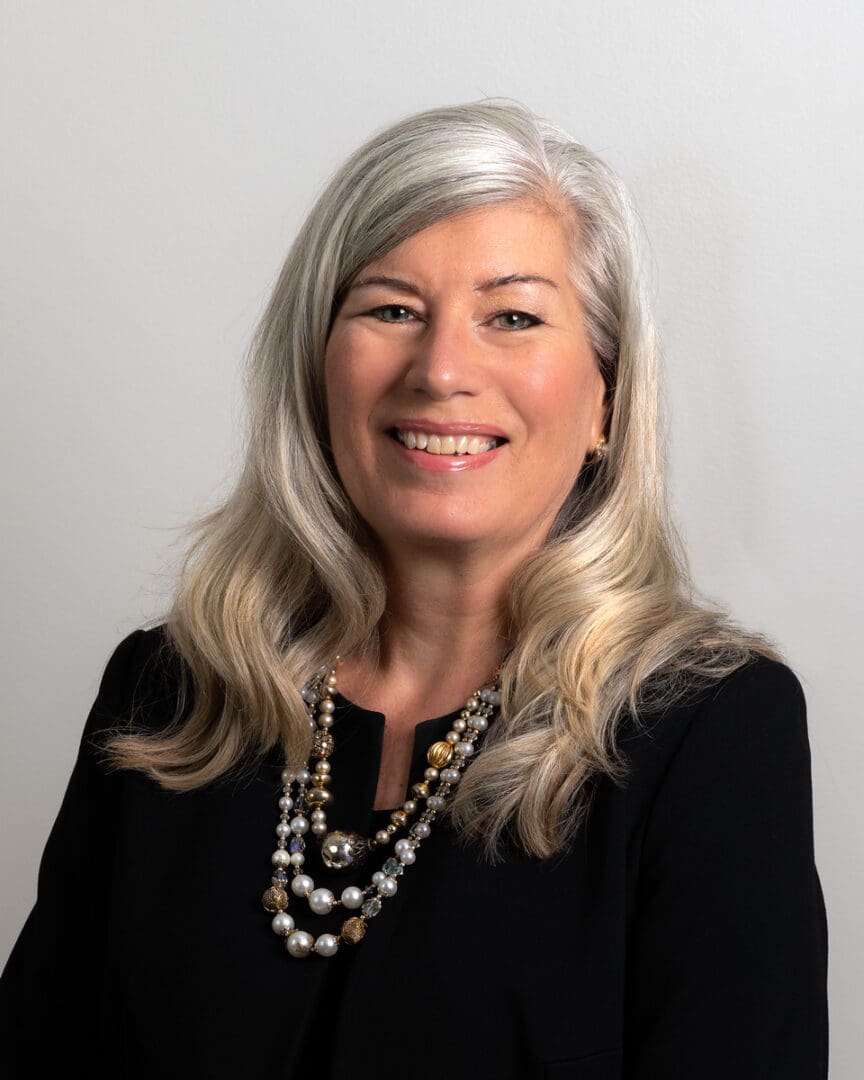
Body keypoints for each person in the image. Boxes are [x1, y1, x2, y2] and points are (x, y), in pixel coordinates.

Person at [0, 100, 828, 1078]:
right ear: (316, 369)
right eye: (391, 308)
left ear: (606, 396)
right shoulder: (171, 695)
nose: (440, 370)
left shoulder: (709, 732)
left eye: (513, 317)